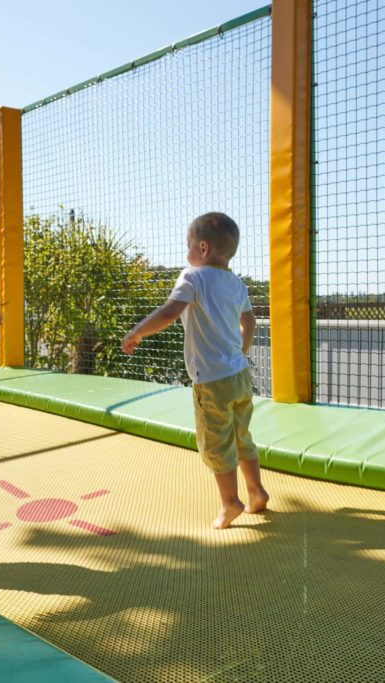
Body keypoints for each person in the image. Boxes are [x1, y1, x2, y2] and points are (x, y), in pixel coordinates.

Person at [122, 212, 269, 529]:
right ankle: (256, 492)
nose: (186, 252)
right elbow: (250, 322)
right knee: (242, 435)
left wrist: (137, 331)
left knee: (217, 443)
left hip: (212, 381)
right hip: (240, 376)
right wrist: (241, 352)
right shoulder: (236, 283)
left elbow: (170, 312)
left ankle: (230, 503)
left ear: (202, 248)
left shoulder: (192, 277)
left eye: (188, 245)